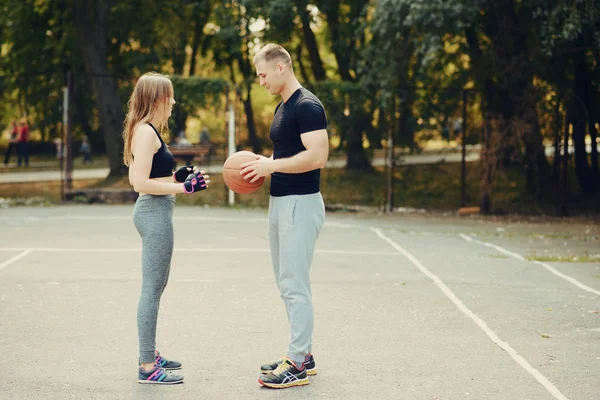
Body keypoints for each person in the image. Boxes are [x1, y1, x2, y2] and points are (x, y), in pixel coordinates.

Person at [240, 43, 329, 389]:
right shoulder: (284, 106)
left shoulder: (307, 105)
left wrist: (272, 166)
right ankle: (302, 354)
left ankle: (296, 364)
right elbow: (289, 152)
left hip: (300, 203)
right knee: (286, 282)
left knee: (295, 285)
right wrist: (266, 165)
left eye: (263, 74)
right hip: (282, 202)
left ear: (280, 68)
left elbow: (318, 156)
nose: (260, 81)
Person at [123, 72, 210, 385]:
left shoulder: (148, 131)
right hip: (153, 214)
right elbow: (139, 182)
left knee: (156, 288)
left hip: (156, 211)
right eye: (169, 96)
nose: (173, 102)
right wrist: (184, 188)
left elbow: (154, 178)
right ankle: (147, 366)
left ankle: (150, 354)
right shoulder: (145, 132)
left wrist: (176, 178)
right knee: (151, 289)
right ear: (157, 99)